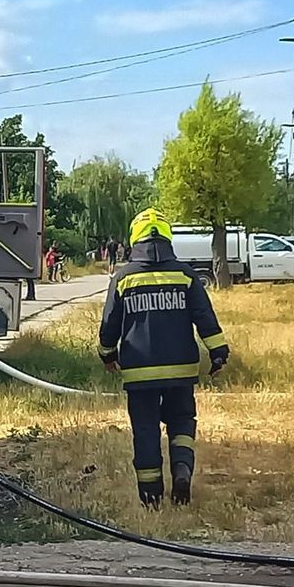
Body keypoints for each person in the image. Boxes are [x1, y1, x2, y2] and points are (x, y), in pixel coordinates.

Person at [97, 209, 229, 508]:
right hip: (181, 369)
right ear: (168, 238)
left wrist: (107, 355)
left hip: (139, 372)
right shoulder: (185, 274)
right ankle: (181, 469)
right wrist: (218, 353)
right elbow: (204, 318)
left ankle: (150, 496)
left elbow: (109, 325)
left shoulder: (124, 277)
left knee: (145, 430)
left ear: (135, 239)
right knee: (182, 421)